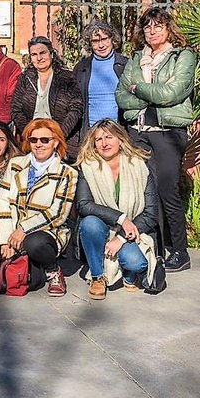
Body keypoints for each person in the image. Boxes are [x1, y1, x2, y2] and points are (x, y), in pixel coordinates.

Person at [117, 7, 197, 273]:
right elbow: (121, 95)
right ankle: (156, 248)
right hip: (138, 132)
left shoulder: (181, 57)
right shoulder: (136, 58)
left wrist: (137, 88)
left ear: (168, 29)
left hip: (168, 133)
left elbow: (172, 94)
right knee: (144, 192)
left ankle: (179, 251)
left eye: (158, 26)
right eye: (148, 27)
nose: (152, 32)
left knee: (167, 190)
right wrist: (149, 92)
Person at [75, 121, 160, 299]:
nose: (104, 143)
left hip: (134, 231)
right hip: (103, 228)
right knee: (89, 223)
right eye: (98, 139)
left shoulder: (139, 165)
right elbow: (84, 205)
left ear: (120, 139)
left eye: (108, 137)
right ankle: (98, 277)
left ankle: (129, 274)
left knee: (135, 262)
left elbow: (151, 213)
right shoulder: (87, 167)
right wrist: (121, 219)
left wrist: (120, 238)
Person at [0, 119, 79, 297]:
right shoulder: (15, 164)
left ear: (56, 142)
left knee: (35, 243)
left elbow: (57, 214)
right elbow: (3, 202)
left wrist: (23, 229)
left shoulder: (67, 173)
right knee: (26, 281)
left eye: (45, 140)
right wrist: (5, 241)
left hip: (48, 232)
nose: (38, 144)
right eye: (33, 140)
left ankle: (53, 270)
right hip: (13, 233)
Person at [10, 36, 83, 155]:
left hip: (63, 141)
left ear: (51, 54)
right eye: (34, 55)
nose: (39, 58)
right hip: (34, 143)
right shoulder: (25, 79)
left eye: (42, 53)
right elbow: (16, 109)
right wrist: (30, 133)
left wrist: (58, 135)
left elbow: (76, 109)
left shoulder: (67, 78)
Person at [74, 20, 129, 132]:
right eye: (95, 41)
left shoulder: (126, 65)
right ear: (90, 44)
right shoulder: (81, 68)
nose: (101, 45)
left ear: (112, 39)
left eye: (104, 39)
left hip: (119, 131)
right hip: (91, 131)